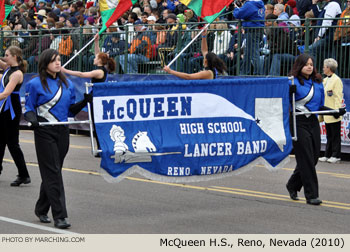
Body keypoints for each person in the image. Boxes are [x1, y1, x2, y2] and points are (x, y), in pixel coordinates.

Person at [24, 49, 92, 229]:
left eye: (59, 59)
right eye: (54, 60)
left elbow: (71, 111)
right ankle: (60, 216)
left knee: (54, 171)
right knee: (53, 173)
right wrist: (33, 120)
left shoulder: (67, 83)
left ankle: (41, 208)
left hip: (62, 131)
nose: (57, 63)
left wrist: (85, 101)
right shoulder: (34, 84)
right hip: (44, 132)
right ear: (45, 63)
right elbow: (29, 108)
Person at [61, 35, 116, 156]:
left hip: (95, 99)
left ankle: (102, 149)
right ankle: (101, 148)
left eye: (96, 58)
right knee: (96, 124)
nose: (93, 58)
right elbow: (98, 53)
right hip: (93, 98)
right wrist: (96, 41)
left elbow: (81, 74)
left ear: (100, 61)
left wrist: (65, 71)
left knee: (97, 125)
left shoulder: (99, 71)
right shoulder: (102, 68)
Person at [286, 54, 324, 205]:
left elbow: (320, 105)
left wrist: (335, 110)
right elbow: (283, 102)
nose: (309, 66)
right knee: (306, 158)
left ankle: (293, 184)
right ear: (299, 65)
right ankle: (311, 195)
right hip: (297, 121)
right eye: (306, 64)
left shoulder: (318, 83)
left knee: (313, 157)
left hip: (312, 120)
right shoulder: (291, 81)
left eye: (311, 64)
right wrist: (289, 92)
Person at [0, 46, 31, 186]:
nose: (4, 57)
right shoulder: (8, 68)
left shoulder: (17, 73)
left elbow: (6, 93)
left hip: (11, 109)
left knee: (12, 143)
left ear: (15, 57)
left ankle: (24, 174)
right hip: (4, 108)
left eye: (6, 55)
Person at [318, 58, 344, 163]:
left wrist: (337, 111)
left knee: (335, 135)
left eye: (324, 67)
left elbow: (338, 96)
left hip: (333, 111)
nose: (323, 68)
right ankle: (327, 154)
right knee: (329, 135)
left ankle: (336, 155)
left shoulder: (336, 80)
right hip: (326, 111)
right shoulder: (325, 79)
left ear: (329, 68)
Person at [233, 0, 265, 75]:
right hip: (258, 30)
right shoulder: (261, 4)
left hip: (252, 30)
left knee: (254, 53)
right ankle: (244, 72)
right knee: (248, 53)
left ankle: (257, 73)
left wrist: (236, 8)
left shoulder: (250, 4)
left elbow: (238, 14)